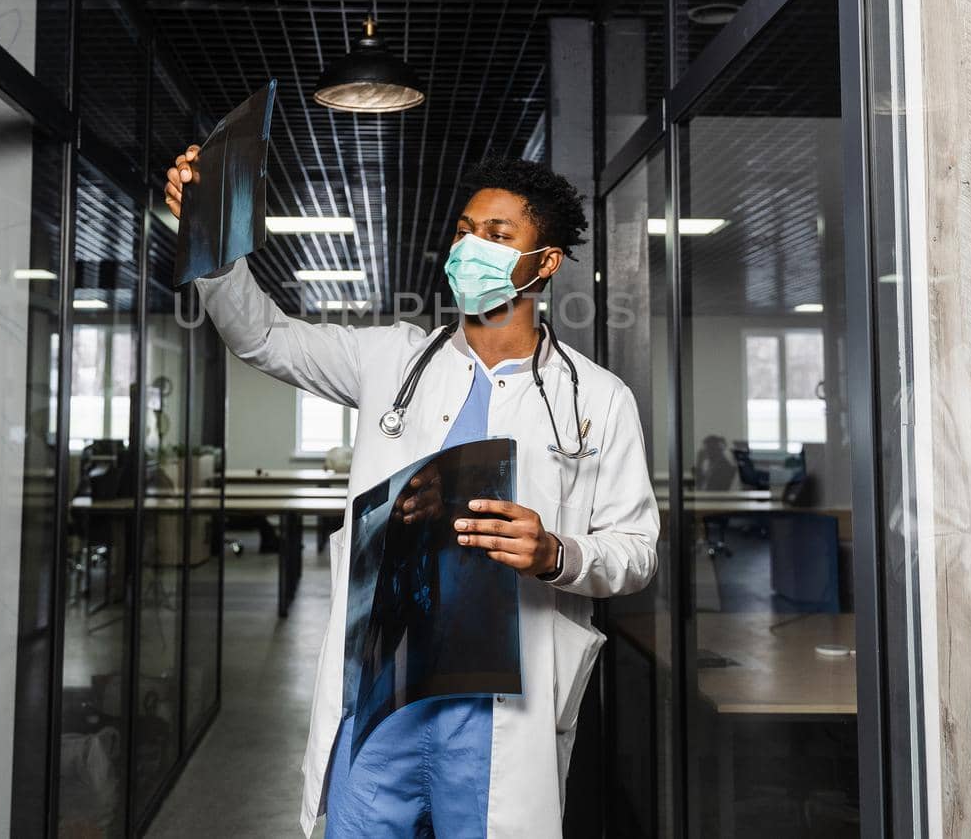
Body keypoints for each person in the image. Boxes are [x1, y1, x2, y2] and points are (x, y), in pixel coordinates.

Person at [165, 149, 658, 838]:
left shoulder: (599, 398)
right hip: (384, 698)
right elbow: (263, 336)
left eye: (496, 233)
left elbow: (636, 550)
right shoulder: (391, 360)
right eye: (463, 229)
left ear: (544, 263)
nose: (469, 247)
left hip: (497, 712)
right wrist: (210, 231)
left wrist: (555, 551)